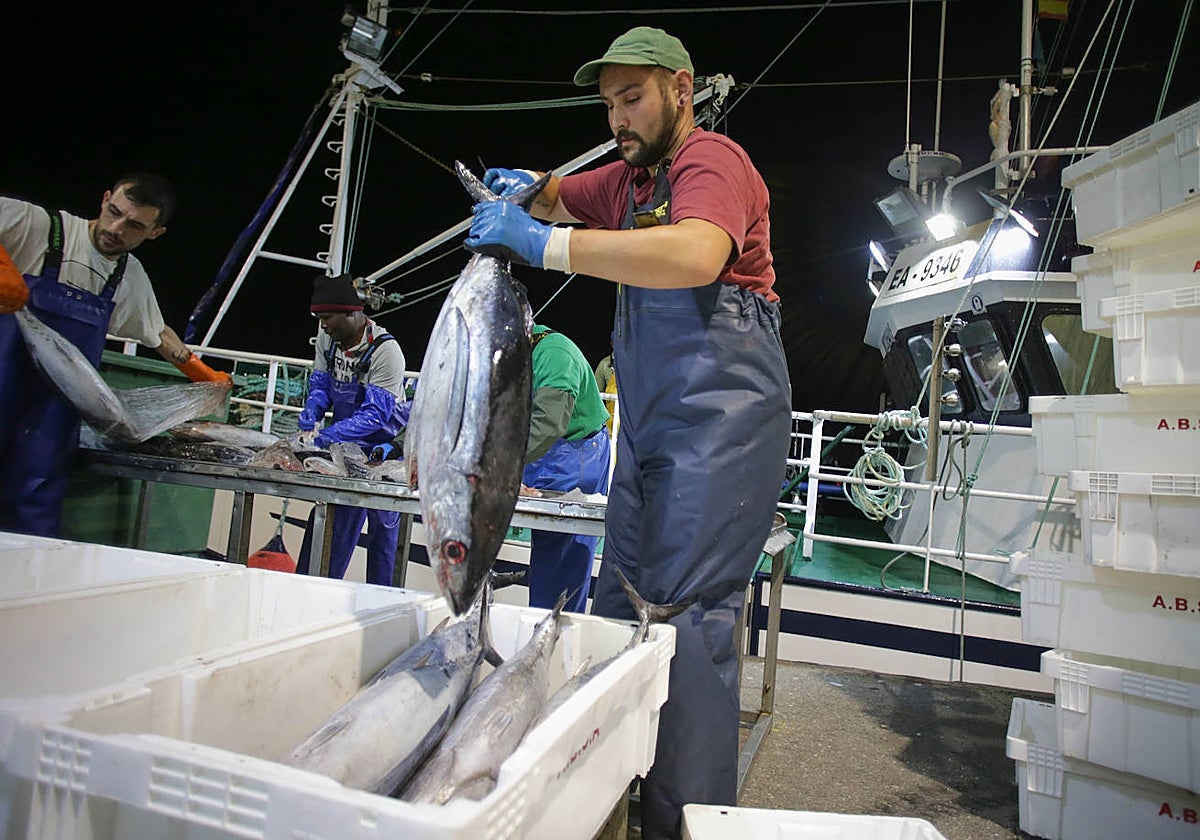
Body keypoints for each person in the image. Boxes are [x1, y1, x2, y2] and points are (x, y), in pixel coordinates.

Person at [464, 26, 792, 838]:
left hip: (723, 421)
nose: (618, 116)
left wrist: (547, 244)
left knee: (687, 616)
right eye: (609, 102)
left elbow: (695, 255)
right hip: (646, 429)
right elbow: (552, 195)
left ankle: (682, 825)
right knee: (619, 605)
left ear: (681, 88)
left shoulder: (711, 162)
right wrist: (528, 192)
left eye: (633, 96)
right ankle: (599, 807)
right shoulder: (628, 181)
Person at [0, 173, 229, 537]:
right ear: (105, 198)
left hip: (51, 420)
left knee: (34, 508)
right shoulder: (41, 226)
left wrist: (204, 375)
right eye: (114, 211)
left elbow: (157, 334)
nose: (117, 228)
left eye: (135, 225)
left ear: (155, 233)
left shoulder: (128, 277)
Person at [295, 273, 408, 586]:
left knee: (383, 529)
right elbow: (320, 385)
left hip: (382, 449)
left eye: (327, 317)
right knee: (335, 517)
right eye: (319, 318)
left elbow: (376, 414)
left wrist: (329, 435)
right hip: (346, 444)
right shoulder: (327, 341)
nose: (323, 325)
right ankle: (313, 586)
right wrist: (312, 412)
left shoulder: (386, 351)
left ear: (351, 312)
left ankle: (382, 599)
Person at [520, 323, 612, 613]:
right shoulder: (514, 355)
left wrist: (497, 468)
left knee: (562, 555)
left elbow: (547, 424)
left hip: (575, 454)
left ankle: (553, 638)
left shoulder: (555, 354)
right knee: (548, 549)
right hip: (543, 452)